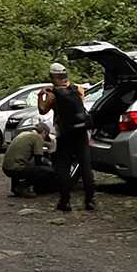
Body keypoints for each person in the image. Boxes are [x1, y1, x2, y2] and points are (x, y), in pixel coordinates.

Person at [38, 61, 94, 213]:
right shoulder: (78, 89)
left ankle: (65, 201)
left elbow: (42, 110)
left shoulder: (52, 94)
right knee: (85, 166)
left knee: (63, 167)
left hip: (65, 133)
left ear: (53, 77)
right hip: (81, 132)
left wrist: (41, 95)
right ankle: (90, 201)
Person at [1, 121, 52, 198]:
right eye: (46, 136)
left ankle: (15, 189)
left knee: (18, 161)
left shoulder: (24, 134)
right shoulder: (37, 137)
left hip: (6, 168)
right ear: (44, 132)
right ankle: (23, 186)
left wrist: (46, 145)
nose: (45, 138)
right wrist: (49, 164)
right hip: (16, 169)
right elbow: (38, 161)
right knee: (43, 170)